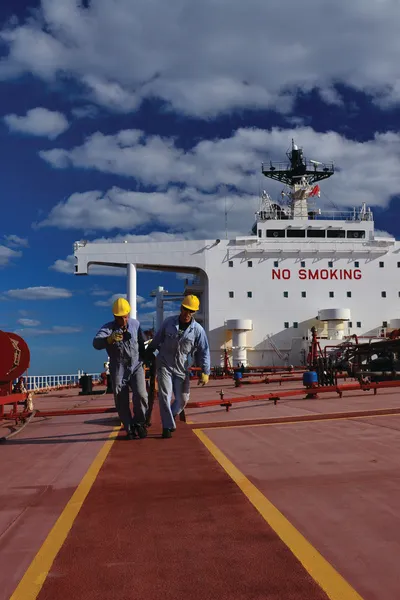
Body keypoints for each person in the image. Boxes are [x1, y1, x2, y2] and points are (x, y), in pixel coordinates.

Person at [145, 294, 210, 438]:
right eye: (185, 309)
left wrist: (205, 371)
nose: (187, 313)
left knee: (183, 399)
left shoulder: (197, 330)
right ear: (181, 308)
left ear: (194, 312)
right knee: (165, 396)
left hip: (181, 368)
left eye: (191, 311)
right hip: (164, 364)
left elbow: (204, 350)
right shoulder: (169, 323)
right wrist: (148, 354)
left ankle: (171, 415)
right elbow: (157, 340)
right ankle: (167, 427)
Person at [93, 297, 148, 440]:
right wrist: (109, 339)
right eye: (120, 318)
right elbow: (96, 344)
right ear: (114, 316)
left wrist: (148, 358)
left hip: (136, 366)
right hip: (118, 368)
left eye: (125, 317)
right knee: (121, 399)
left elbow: (141, 343)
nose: (124, 320)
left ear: (128, 314)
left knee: (142, 395)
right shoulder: (108, 329)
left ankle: (139, 422)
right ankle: (129, 427)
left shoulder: (135, 325)